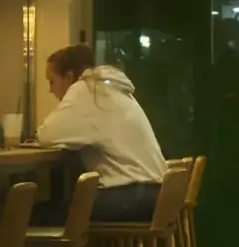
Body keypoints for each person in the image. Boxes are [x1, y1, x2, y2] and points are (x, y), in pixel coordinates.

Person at [37, 43, 166, 223]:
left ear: (68, 77)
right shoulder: (114, 90)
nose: (50, 90)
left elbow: (47, 135)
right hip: (156, 195)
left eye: (52, 81)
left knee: (30, 216)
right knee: (62, 209)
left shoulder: (85, 89)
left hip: (128, 196)